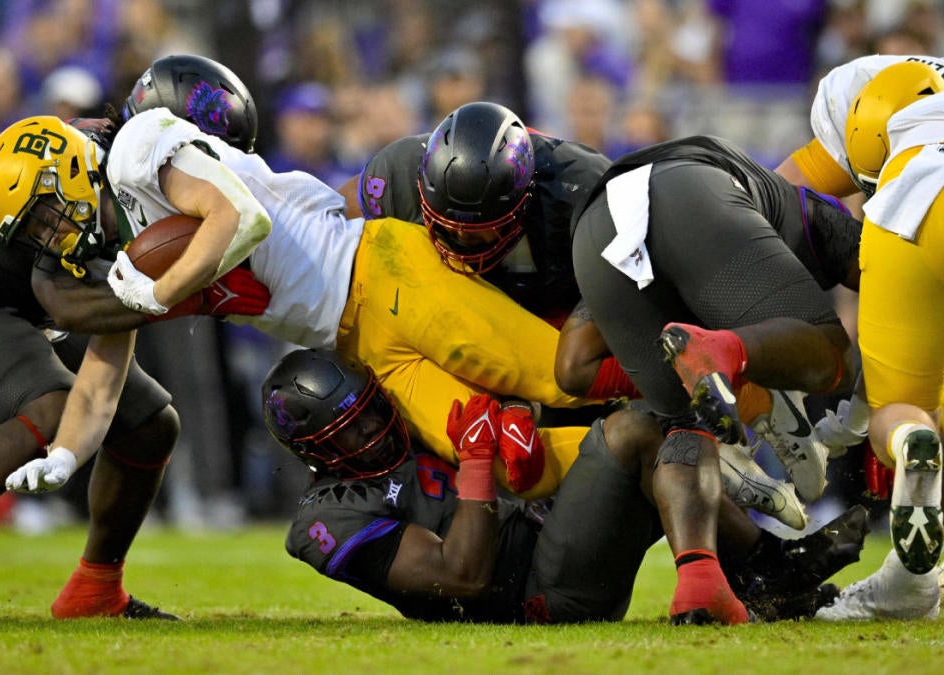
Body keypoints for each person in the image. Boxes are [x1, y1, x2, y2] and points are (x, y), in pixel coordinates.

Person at [0, 56, 595, 504]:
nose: (51, 237)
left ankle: (681, 382)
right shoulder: (127, 237)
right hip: (357, 340)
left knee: (562, 376)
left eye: (45, 215)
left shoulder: (138, 146)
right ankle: (650, 452)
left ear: (73, 167)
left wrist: (158, 292)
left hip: (381, 272)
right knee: (501, 460)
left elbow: (240, 218)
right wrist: (66, 453)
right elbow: (106, 365)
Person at [0, 110, 268, 619]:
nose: (47, 234)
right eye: (31, 226)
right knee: (51, 404)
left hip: (26, 311)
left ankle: (95, 588)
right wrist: (186, 292)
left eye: (46, 214)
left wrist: (174, 283)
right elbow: (68, 302)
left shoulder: (115, 161)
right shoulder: (55, 227)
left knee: (150, 424)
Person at [337, 101, 828, 513]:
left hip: (595, 282)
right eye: (445, 224)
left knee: (577, 370)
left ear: (524, 198)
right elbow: (332, 224)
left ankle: (746, 409)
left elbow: (644, 281)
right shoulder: (394, 175)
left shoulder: (579, 191)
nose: (462, 240)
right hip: (486, 303)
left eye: (482, 228)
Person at [265, 348, 869, 624]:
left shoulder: (412, 419)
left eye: (374, 410)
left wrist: (519, 423)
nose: (375, 429)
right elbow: (464, 577)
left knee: (659, 412)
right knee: (634, 432)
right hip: (532, 598)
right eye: (352, 431)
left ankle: (764, 573)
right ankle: (757, 575)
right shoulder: (326, 520)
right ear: (315, 450)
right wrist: (476, 463)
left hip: (550, 533)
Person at [568, 134, 864, 624]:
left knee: (684, 427)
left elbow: (572, 368)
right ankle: (740, 375)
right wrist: (888, 410)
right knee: (833, 355)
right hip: (690, 197)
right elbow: (889, 283)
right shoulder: (808, 212)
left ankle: (700, 584)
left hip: (596, 231)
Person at [774, 52, 944, 620]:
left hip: (909, 202)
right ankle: (926, 571)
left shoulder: (855, 89)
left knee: (905, 409)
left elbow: (773, 191)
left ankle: (913, 554)